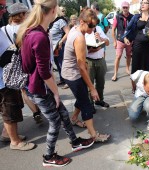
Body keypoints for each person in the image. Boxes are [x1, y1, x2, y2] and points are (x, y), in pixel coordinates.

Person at [17, 0, 94, 167]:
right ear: (53, 10)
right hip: (39, 88)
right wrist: (56, 93)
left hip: (40, 85)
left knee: (64, 114)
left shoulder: (34, 31)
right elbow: (44, 72)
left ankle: (75, 142)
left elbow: (31, 66)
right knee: (55, 121)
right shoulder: (39, 35)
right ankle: (48, 156)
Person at [61, 8, 110, 142]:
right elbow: (82, 67)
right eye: (90, 25)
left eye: (95, 26)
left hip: (71, 71)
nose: (93, 29)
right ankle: (93, 135)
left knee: (81, 96)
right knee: (86, 103)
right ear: (82, 21)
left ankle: (74, 118)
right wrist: (92, 88)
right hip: (72, 74)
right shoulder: (79, 37)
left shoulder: (75, 29)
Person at [0, 0, 35, 151]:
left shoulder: (2, 29)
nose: (3, 10)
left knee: (12, 107)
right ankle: (14, 141)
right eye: (1, 7)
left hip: (7, 77)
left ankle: (11, 135)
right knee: (8, 110)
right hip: (3, 79)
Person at [1, 2, 43, 124]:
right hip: (27, 61)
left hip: (13, 64)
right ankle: (42, 108)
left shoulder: (3, 29)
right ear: (22, 14)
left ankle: (35, 112)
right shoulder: (27, 28)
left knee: (23, 90)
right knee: (34, 86)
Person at [124, 0, 149, 75]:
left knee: (148, 69)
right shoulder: (136, 17)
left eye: (145, 3)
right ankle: (134, 86)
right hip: (138, 46)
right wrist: (125, 38)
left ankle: (146, 86)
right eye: (142, 3)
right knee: (136, 68)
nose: (142, 4)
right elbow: (127, 29)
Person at [111, 1, 133, 81]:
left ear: (128, 7)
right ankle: (115, 74)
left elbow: (134, 29)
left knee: (128, 55)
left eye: (126, 7)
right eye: (123, 7)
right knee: (118, 56)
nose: (125, 9)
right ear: (121, 8)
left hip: (129, 40)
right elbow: (113, 29)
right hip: (120, 40)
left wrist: (133, 40)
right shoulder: (117, 16)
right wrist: (114, 41)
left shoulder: (132, 17)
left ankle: (127, 69)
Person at [49, 6, 70, 89]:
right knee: (58, 64)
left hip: (60, 46)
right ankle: (62, 79)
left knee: (63, 64)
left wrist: (61, 41)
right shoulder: (52, 22)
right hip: (53, 47)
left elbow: (68, 32)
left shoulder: (60, 21)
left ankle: (68, 81)